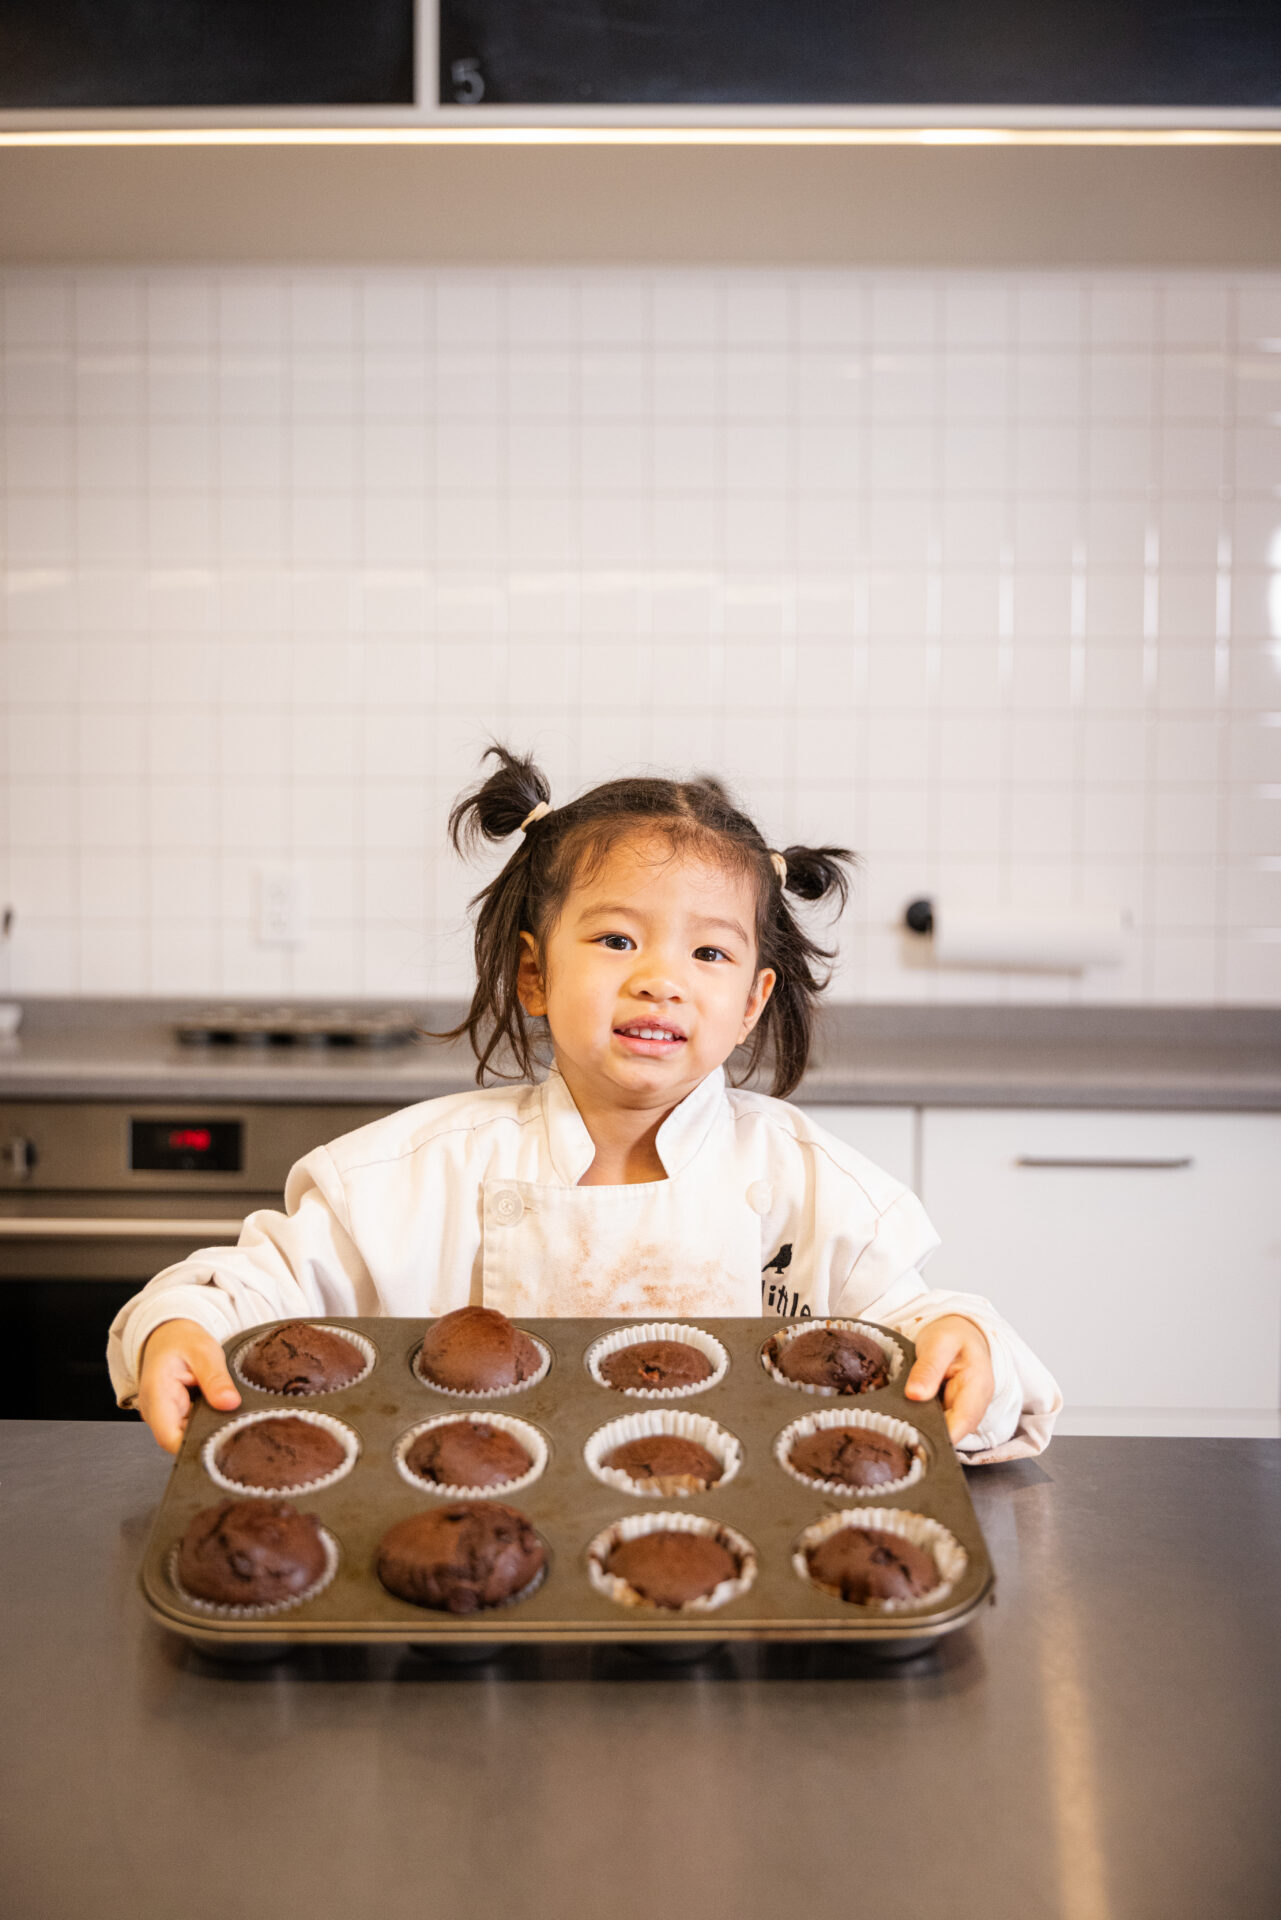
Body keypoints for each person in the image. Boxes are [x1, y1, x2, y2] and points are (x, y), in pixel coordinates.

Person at [109, 746, 1061, 1459]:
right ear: (534, 975)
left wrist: (964, 1344)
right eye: (615, 941)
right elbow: (247, 1291)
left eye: (708, 952)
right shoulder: (408, 1180)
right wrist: (179, 1328)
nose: (659, 979)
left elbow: (937, 1338)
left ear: (750, 1004)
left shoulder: (809, 1190)